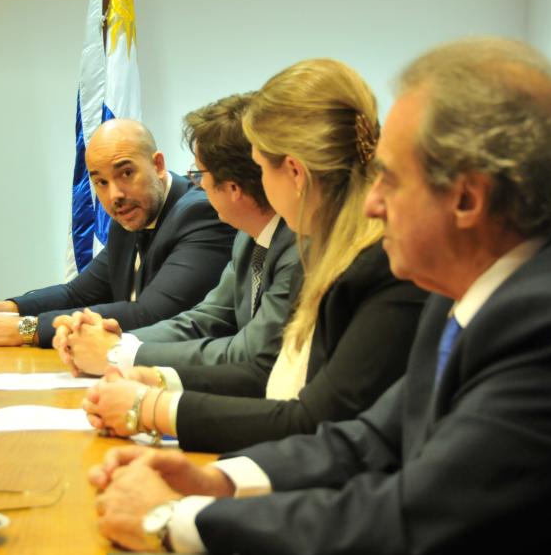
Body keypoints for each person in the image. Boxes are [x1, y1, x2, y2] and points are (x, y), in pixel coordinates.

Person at [88, 38, 551, 555]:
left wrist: (175, 519)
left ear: (467, 200)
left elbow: (410, 520)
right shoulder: (473, 285)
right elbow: (372, 437)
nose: (371, 202)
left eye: (391, 179)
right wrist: (220, 483)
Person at [82, 59, 425, 453]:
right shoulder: (325, 246)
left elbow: (310, 417)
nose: (254, 184)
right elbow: (278, 378)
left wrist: (156, 405)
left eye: (259, 168)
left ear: (294, 173)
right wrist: (160, 381)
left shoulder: (368, 263)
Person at [0, 119, 236, 348]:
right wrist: (4, 309)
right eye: (100, 182)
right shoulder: (131, 214)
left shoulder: (201, 213)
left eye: (126, 173)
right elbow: (79, 293)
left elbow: (151, 313)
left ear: (157, 165)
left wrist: (27, 328)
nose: (114, 195)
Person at [54, 93, 300, 376]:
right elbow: (205, 319)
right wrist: (115, 343)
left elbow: (249, 352)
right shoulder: (248, 238)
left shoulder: (297, 248)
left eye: (200, 173)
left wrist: (119, 354)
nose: (198, 183)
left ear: (233, 187)